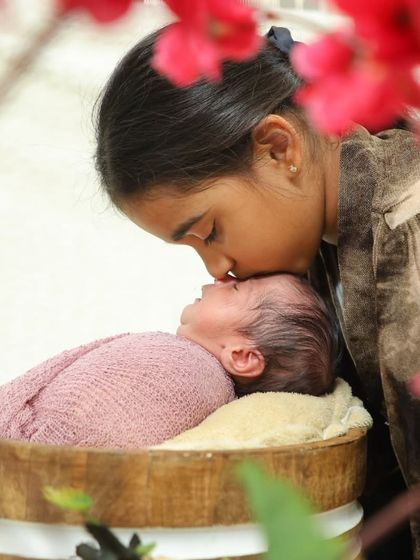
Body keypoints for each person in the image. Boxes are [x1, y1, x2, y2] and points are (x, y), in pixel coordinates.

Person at [94, 25, 420, 558]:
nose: (217, 270)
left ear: (277, 147)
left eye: (210, 233)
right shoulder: (324, 238)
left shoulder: (409, 232)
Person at [0, 273, 337, 449]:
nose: (220, 280)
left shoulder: (176, 366)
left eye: (236, 290)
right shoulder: (199, 376)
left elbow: (60, 435)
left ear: (243, 356)